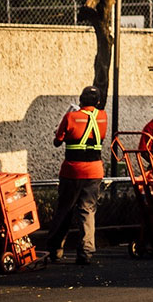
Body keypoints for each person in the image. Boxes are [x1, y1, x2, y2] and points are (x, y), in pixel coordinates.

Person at [46, 85, 108, 265]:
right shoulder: (103, 117)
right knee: (87, 210)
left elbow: (57, 141)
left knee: (65, 209)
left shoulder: (71, 116)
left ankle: (55, 249)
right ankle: (86, 252)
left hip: (72, 171)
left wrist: (64, 123)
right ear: (97, 102)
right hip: (95, 171)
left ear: (80, 100)